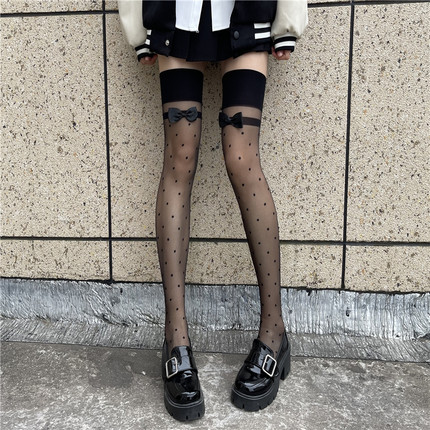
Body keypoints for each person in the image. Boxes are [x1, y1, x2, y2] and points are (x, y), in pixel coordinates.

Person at [118, 0, 308, 421]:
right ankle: (175, 340)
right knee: (180, 157)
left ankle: (274, 332)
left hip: (244, 11)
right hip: (178, 13)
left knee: (241, 158)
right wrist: (138, 27)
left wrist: (288, 21)